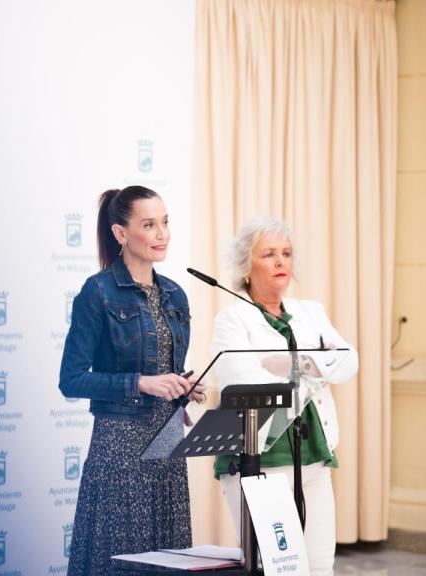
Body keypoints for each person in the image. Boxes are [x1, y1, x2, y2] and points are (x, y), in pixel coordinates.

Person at [60, 185, 204, 576]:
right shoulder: (98, 291)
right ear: (121, 233)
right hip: (120, 444)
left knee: (169, 557)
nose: (162, 234)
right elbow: (71, 379)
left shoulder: (175, 294)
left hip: (168, 441)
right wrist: (140, 382)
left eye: (165, 223)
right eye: (149, 224)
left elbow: (168, 372)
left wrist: (183, 389)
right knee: (121, 557)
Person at [210, 218, 358, 576]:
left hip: (312, 456)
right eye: (269, 254)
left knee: (320, 564)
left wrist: (295, 363)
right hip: (258, 456)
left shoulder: (311, 311)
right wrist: (316, 366)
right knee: (279, 567)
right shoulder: (232, 318)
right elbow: (243, 381)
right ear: (246, 265)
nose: (281, 262)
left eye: (287, 253)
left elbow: (349, 360)